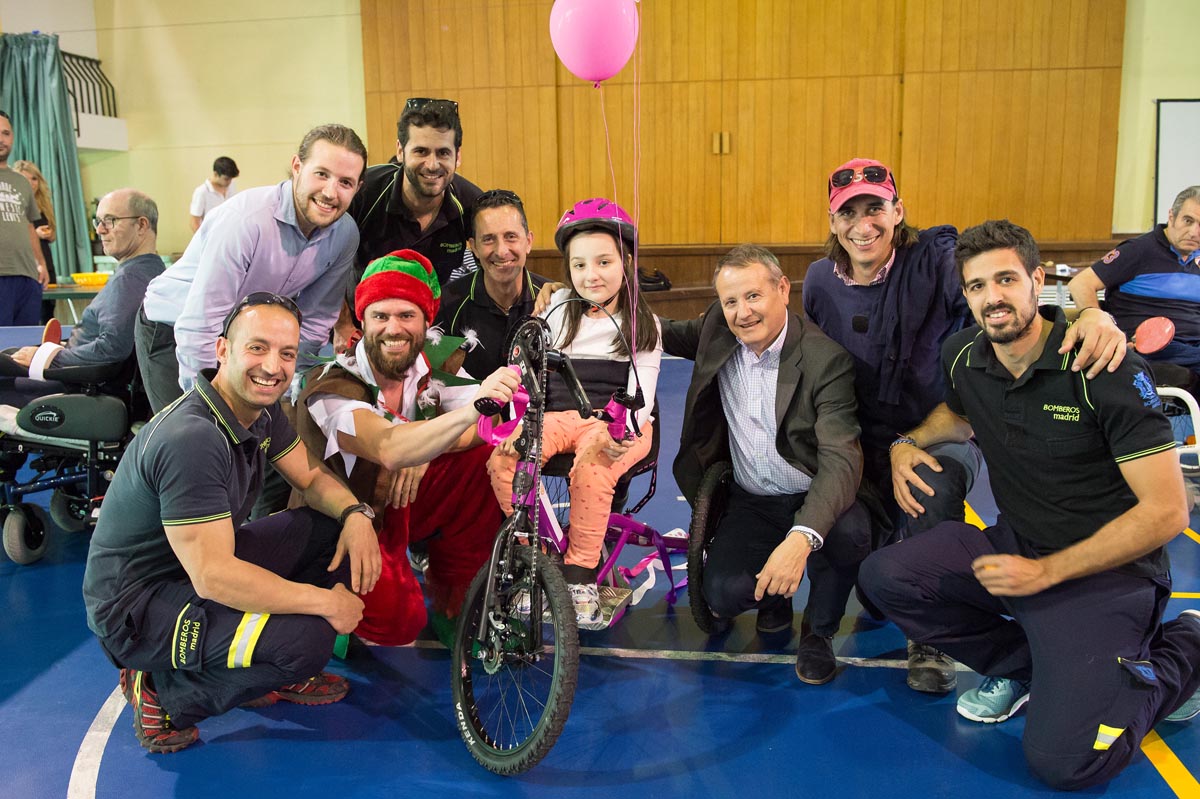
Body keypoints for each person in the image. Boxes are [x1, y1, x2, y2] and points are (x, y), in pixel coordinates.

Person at [859, 219, 1200, 791]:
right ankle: (1026, 668)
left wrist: (1048, 571)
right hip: (1017, 546)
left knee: (1065, 764)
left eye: (1006, 279)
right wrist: (906, 443)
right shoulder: (964, 354)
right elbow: (959, 415)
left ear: (1038, 280)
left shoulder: (1104, 368)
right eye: (976, 286)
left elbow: (1167, 513)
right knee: (886, 576)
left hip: (1108, 575)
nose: (992, 298)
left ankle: (1181, 652)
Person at [802, 157, 1126, 693]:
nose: (863, 224)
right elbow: (811, 354)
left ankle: (929, 640)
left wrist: (1088, 314)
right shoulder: (818, 280)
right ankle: (819, 628)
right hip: (856, 436)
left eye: (875, 209)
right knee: (841, 513)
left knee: (933, 486)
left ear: (897, 210)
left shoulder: (934, 262)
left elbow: (1000, 305)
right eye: (849, 213)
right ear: (833, 222)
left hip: (936, 428)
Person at [83, 293, 385, 753]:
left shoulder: (258, 411)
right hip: (137, 608)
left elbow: (308, 475)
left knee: (328, 531)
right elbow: (215, 576)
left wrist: (355, 514)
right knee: (307, 641)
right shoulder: (193, 439)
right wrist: (323, 603)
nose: (273, 366)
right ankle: (162, 695)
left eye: (287, 353)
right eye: (257, 348)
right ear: (222, 350)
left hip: (187, 569)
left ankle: (265, 663)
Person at [662, 243, 872, 684]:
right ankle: (772, 599)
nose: (742, 312)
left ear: (782, 289)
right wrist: (563, 292)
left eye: (753, 296)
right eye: (731, 301)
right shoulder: (717, 330)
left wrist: (801, 539)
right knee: (722, 593)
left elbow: (840, 460)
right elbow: (650, 329)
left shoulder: (824, 359)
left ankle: (819, 630)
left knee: (849, 533)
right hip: (753, 499)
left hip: (811, 490)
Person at [294, 249, 519, 646]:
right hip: (345, 520)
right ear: (362, 322)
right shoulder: (329, 387)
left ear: (426, 321)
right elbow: (389, 448)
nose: (393, 329)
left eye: (406, 316)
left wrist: (429, 448)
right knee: (399, 627)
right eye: (380, 316)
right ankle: (324, 607)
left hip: (401, 504)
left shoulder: (430, 361)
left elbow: (491, 424)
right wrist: (431, 438)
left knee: (483, 462)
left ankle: (456, 598)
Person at [487, 198, 662, 630]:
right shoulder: (556, 306)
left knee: (592, 469)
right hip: (560, 414)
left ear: (626, 263)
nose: (592, 275)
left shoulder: (643, 323)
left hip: (615, 420)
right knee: (505, 459)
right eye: (580, 265)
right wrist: (519, 420)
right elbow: (529, 370)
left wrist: (625, 429)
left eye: (604, 262)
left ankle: (581, 572)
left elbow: (644, 393)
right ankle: (539, 559)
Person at [137, 123, 366, 412]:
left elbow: (316, 317)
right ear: (297, 166)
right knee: (194, 440)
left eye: (345, 182)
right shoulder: (246, 221)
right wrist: (205, 408)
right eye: (321, 174)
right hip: (174, 326)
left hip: (240, 337)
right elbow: (199, 324)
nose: (330, 192)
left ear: (357, 188)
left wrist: (297, 380)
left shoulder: (345, 235)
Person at [334, 98, 482, 351]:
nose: (432, 164)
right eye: (421, 151)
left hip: (431, 331)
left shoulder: (471, 204)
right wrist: (341, 324)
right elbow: (326, 261)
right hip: (359, 329)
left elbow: (499, 260)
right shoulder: (363, 193)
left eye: (443, 152)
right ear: (401, 151)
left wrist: (545, 289)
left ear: (458, 156)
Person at [0, 189, 165, 405]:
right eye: (98, 221)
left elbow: (111, 350)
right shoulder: (151, 270)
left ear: (142, 225)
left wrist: (49, 358)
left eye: (110, 220)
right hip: (79, 375)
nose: (100, 230)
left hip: (80, 386)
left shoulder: (130, 279)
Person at [1068, 184, 1200, 380]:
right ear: (1171, 216)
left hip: (1193, 348)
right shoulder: (1139, 250)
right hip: (1151, 351)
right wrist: (1102, 326)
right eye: (1188, 221)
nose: (1194, 232)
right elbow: (1080, 284)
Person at [435, 188, 550, 379]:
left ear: (528, 242)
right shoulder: (446, 306)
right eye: (488, 239)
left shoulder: (554, 301)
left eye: (511, 237)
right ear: (474, 248)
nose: (501, 250)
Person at [0, 111, 50, 325]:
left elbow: (29, 225)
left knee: (25, 349)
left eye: (6, 133)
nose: (1, 139)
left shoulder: (21, 182)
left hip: (27, 278)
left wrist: (41, 264)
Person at [11, 160, 56, 322]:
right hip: (25, 265)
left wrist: (50, 234)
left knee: (48, 313)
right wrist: (34, 234)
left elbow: (52, 232)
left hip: (46, 263)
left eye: (34, 178)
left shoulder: (44, 205)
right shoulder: (13, 205)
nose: (30, 183)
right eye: (25, 178)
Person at [189, 155, 240, 233]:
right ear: (216, 174)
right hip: (211, 235)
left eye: (231, 179)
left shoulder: (231, 184)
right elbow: (194, 222)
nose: (229, 182)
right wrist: (204, 241)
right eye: (226, 179)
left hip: (228, 233)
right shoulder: (202, 192)